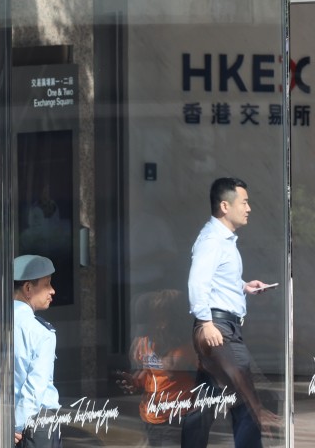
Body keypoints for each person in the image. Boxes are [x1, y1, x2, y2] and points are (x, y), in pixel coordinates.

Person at [182, 177, 280, 448]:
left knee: (205, 403)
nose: (249, 208)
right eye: (244, 202)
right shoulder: (212, 240)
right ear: (225, 206)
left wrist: (244, 286)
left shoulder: (222, 240)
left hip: (221, 327)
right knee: (247, 404)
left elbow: (216, 279)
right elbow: (197, 282)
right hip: (219, 330)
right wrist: (206, 322)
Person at [122, 290, 197, 446]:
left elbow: (171, 368)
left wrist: (149, 357)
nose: (154, 323)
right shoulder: (147, 340)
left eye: (159, 318)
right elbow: (146, 370)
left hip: (175, 417)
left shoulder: (186, 345)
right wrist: (136, 381)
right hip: (149, 416)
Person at [14, 254, 63, 447]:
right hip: (35, 424)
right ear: (27, 288)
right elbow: (35, 388)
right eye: (46, 284)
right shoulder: (41, 332)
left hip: (1, 418)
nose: (52, 291)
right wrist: (17, 426)